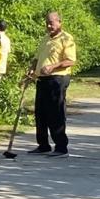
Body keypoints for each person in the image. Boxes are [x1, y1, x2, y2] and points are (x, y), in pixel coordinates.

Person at [28, 11, 76, 157]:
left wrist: (52, 66)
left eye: (52, 23)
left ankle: (61, 147)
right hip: (42, 79)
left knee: (56, 113)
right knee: (40, 113)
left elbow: (70, 60)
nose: (49, 26)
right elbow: (37, 58)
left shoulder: (66, 38)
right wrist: (31, 69)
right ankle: (43, 145)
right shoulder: (45, 39)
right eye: (47, 23)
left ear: (59, 22)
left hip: (57, 79)